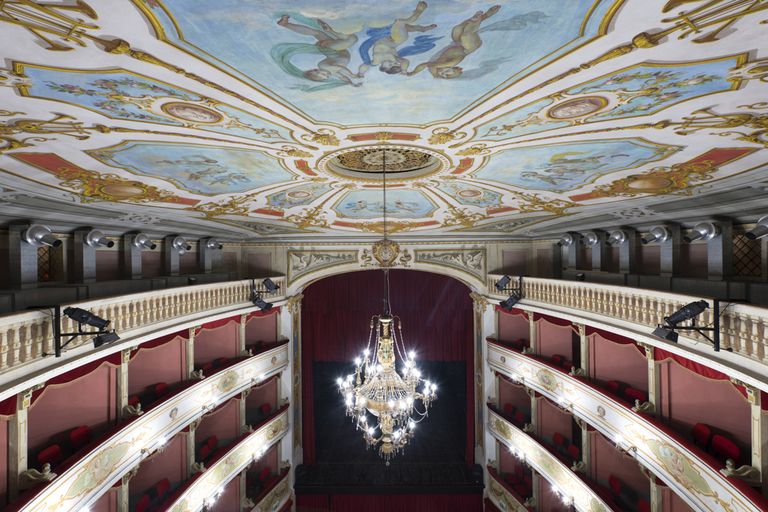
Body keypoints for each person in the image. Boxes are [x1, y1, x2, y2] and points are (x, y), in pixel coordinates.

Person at [407, 5, 500, 79]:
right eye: (447, 72)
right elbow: (427, 65)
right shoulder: (449, 64)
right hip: (468, 47)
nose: (443, 72)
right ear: (451, 68)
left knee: (457, 29)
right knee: (466, 35)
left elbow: (424, 65)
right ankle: (485, 15)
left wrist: (413, 72)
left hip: (457, 43)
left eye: (444, 73)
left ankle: (474, 19)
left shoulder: (435, 70)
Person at [275, 15, 362, 87]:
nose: (327, 76)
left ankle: (330, 30)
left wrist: (353, 75)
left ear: (316, 70)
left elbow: (341, 68)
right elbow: (343, 78)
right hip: (336, 49)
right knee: (317, 33)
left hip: (331, 49)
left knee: (352, 40)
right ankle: (285, 24)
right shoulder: (331, 72)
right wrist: (351, 83)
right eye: (326, 77)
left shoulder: (324, 67)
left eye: (323, 75)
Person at [358, 1, 438, 76]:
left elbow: (364, 66)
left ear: (382, 67)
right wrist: (404, 70)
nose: (392, 62)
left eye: (390, 65)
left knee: (404, 27)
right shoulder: (395, 59)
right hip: (397, 39)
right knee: (400, 22)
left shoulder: (375, 62)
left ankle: (422, 29)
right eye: (395, 64)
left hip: (387, 37)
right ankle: (418, 12)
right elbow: (405, 61)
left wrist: (360, 73)